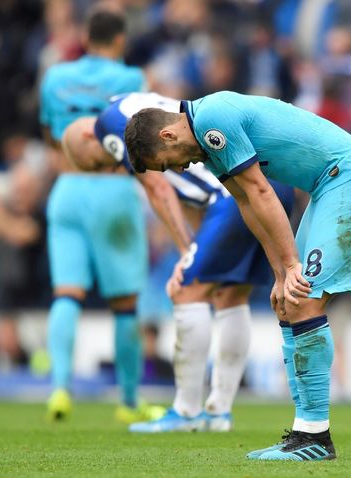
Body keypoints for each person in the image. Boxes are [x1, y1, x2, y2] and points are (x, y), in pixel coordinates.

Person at [124, 91, 351, 461]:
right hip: (329, 186)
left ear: (168, 136)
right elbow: (248, 204)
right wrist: (279, 274)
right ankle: (304, 434)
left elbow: (262, 191)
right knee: (288, 301)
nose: (178, 170)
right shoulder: (209, 143)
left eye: (166, 163)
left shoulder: (212, 120)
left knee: (302, 299)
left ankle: (314, 437)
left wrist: (291, 267)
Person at [62, 91, 294, 432]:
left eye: (99, 163)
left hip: (232, 194)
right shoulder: (134, 102)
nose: (111, 167)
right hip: (269, 182)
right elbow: (185, 182)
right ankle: (218, 411)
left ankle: (186, 412)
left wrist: (186, 252)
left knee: (186, 292)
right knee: (231, 295)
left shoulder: (106, 127)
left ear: (88, 137)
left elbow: (158, 187)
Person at [39, 6, 166, 424]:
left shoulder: (56, 76)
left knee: (66, 293)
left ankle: (59, 389)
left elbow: (51, 137)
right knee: (125, 304)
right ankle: (128, 403)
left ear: (85, 38)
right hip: (113, 190)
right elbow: (144, 136)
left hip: (68, 188)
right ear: (119, 41)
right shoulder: (132, 80)